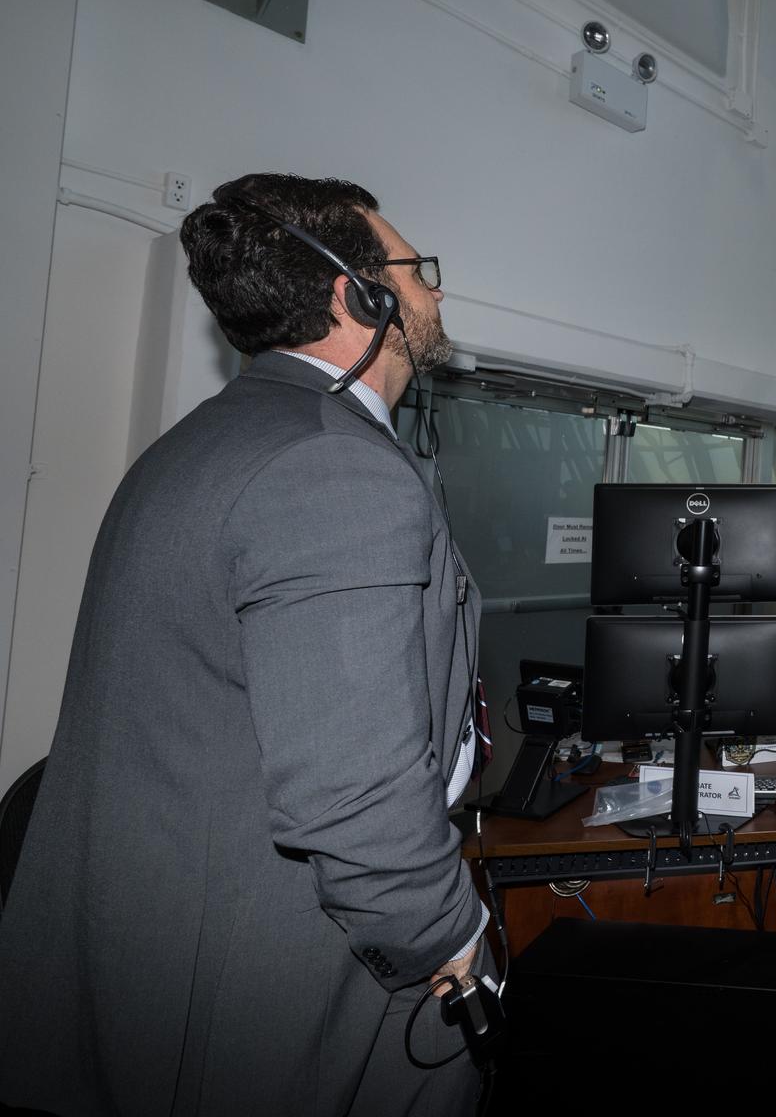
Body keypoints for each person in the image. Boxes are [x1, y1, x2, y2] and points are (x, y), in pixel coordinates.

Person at [0, 174, 493, 1115]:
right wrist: (454, 943)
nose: (434, 293)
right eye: (415, 271)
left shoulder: (196, 447)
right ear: (363, 295)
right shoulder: (335, 468)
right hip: (290, 998)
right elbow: (353, 801)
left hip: (148, 977)